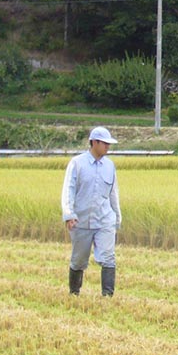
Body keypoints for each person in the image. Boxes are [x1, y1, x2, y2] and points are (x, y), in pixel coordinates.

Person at [61, 126, 122, 296]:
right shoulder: (77, 163)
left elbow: (113, 193)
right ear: (94, 142)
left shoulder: (110, 166)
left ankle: (108, 296)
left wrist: (117, 218)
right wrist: (69, 214)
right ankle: (74, 293)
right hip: (81, 220)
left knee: (108, 257)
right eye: (105, 144)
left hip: (105, 220)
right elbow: (68, 189)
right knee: (79, 260)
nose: (108, 147)